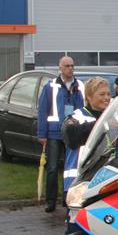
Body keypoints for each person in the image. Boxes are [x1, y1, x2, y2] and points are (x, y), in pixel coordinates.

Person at [62, 78, 118, 197]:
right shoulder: (78, 116)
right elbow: (71, 135)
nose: (107, 98)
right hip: (80, 181)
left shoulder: (114, 118)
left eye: (108, 94)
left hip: (107, 180)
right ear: (89, 97)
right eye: (102, 94)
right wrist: (104, 124)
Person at [37, 56, 85, 212]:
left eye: (72, 65)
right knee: (52, 168)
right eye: (67, 66)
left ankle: (68, 199)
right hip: (54, 133)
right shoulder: (50, 87)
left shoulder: (80, 86)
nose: (70, 68)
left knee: (71, 169)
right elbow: (43, 110)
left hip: (73, 134)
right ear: (60, 68)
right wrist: (42, 134)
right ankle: (50, 201)